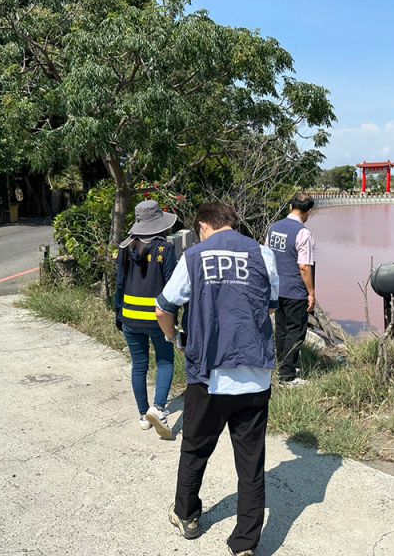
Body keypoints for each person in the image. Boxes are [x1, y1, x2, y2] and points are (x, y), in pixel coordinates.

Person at [156, 203, 278, 556]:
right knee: (251, 461)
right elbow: (270, 306)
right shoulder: (263, 254)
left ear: (203, 226)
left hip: (209, 374)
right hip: (254, 374)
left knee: (195, 448)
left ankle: (187, 516)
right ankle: (245, 544)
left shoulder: (194, 255)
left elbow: (163, 307)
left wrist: (175, 338)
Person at [115, 199, 178, 440]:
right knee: (165, 360)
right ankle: (158, 408)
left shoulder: (125, 247)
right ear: (159, 224)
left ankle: (143, 416)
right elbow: (172, 287)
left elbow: (120, 283)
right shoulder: (166, 248)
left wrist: (118, 313)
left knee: (139, 365)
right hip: (157, 316)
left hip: (130, 315)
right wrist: (175, 318)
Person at [266, 192, 316, 385]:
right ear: (308, 212)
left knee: (281, 329)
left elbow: (268, 255)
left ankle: (282, 365)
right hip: (295, 290)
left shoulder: (274, 228)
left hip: (277, 288)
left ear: (290, 207)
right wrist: (311, 292)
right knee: (296, 331)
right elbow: (304, 266)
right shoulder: (303, 233)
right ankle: (288, 376)